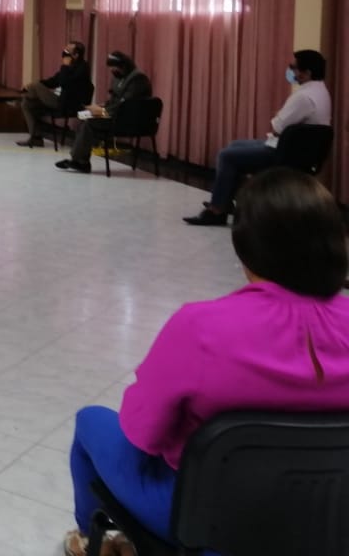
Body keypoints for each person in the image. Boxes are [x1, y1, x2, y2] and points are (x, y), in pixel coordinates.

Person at [63, 168, 349, 556]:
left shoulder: (202, 327)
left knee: (89, 422)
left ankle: (95, 545)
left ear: (246, 249)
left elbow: (142, 433)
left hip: (209, 521)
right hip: (328, 517)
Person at [184, 49, 331, 226]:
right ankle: (225, 201)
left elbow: (277, 126)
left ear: (307, 72)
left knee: (227, 156)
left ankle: (217, 211)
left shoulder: (304, 97)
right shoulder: (321, 91)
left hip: (284, 155)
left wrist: (278, 117)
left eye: (293, 67)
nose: (291, 71)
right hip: (298, 152)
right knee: (235, 145)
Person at [56, 50, 151, 174]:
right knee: (83, 118)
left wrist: (102, 111)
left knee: (90, 122)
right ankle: (82, 161)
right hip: (116, 114)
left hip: (128, 120)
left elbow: (126, 105)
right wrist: (100, 106)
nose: (112, 70)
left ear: (123, 66)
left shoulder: (138, 79)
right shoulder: (119, 77)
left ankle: (77, 159)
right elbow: (114, 100)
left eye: (114, 67)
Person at [17, 41, 92, 148]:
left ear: (76, 55)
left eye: (68, 51)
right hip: (60, 100)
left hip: (69, 104)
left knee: (34, 86)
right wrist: (34, 85)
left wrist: (65, 66)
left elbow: (65, 83)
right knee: (26, 104)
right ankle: (36, 137)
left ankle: (27, 94)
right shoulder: (69, 66)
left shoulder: (83, 68)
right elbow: (53, 81)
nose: (64, 53)